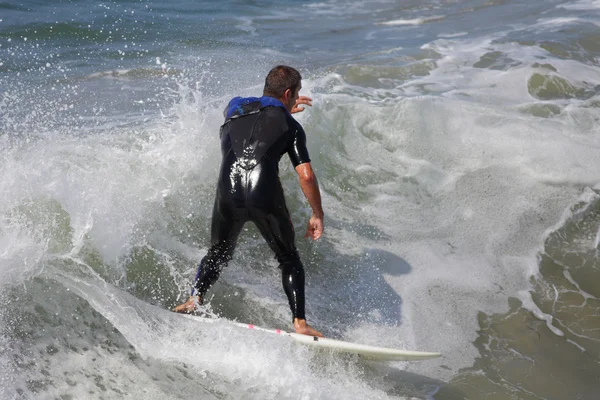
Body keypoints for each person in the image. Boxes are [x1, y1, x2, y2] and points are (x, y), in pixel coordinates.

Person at [173, 65, 324, 337]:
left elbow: (255, 118)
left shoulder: (234, 106)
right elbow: (306, 175)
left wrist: (281, 108)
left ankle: (194, 300)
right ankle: (300, 323)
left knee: (218, 253)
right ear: (289, 93)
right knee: (288, 258)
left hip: (228, 190)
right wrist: (317, 214)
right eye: (296, 93)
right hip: (263, 192)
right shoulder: (291, 125)